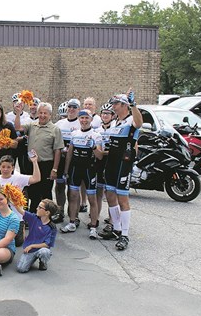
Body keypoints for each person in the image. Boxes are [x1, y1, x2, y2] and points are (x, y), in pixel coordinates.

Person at [98, 91, 143, 250]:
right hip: (111, 163)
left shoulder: (131, 119)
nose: (113, 107)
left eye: (116, 104)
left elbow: (139, 123)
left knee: (123, 199)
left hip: (124, 164)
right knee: (110, 196)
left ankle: (124, 234)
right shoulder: (116, 121)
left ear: (124, 105)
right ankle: (116, 228)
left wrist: (134, 105)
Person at [13, 102, 64, 213]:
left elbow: (57, 151)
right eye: (40, 112)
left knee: (46, 192)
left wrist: (54, 169)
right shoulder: (32, 125)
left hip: (46, 164)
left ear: (50, 115)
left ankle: (47, 216)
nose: (42, 115)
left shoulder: (55, 129)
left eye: (45, 113)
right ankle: (33, 215)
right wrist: (17, 113)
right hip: (31, 164)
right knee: (32, 192)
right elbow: (17, 127)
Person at [61, 110, 103, 238]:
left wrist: (94, 147)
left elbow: (100, 156)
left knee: (92, 199)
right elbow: (69, 154)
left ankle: (94, 226)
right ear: (79, 119)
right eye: (82, 118)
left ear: (91, 119)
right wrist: (66, 170)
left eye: (86, 118)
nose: (84, 120)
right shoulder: (74, 134)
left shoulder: (96, 135)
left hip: (89, 170)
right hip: (75, 169)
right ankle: (72, 222)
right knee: (73, 196)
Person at [53, 98, 82, 221]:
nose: (71, 109)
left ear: (78, 109)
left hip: (75, 161)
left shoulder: (81, 123)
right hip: (61, 159)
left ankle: (74, 215)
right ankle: (60, 212)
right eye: (70, 106)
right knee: (59, 187)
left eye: (74, 107)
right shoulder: (59, 123)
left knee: (73, 189)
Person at [15, 199, 58, 273]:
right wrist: (14, 200)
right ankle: (31, 259)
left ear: (47, 213)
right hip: (30, 250)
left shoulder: (52, 228)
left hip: (40, 249)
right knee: (21, 269)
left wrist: (32, 246)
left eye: (40, 207)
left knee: (45, 252)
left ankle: (43, 261)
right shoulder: (33, 218)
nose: (37, 208)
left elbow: (47, 244)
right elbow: (21, 211)